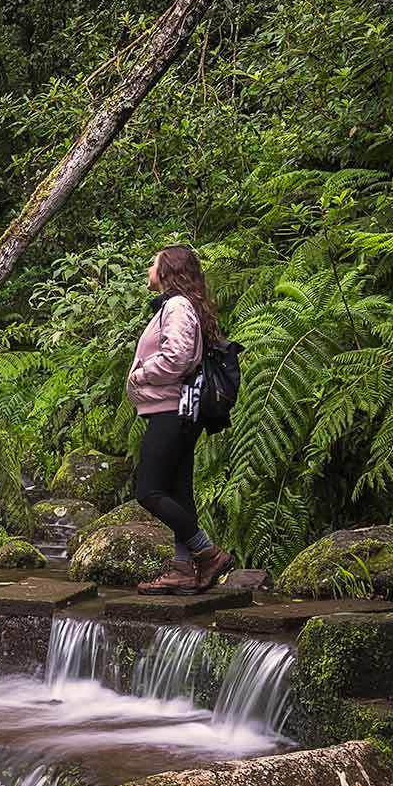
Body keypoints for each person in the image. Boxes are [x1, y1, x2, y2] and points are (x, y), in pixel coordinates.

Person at [126, 245, 235, 595]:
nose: (148, 267)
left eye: (153, 262)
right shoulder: (180, 306)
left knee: (149, 491)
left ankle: (206, 552)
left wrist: (142, 374)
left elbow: (177, 358)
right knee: (178, 493)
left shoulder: (176, 306)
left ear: (167, 271)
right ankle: (182, 570)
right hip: (178, 410)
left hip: (171, 411)